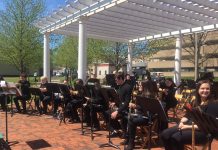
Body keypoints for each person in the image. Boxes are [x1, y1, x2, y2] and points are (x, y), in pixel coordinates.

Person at [160, 80, 218, 150]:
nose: (205, 90)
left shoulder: (213, 104)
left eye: (207, 89)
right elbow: (188, 115)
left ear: (211, 90)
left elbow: (208, 125)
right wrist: (181, 122)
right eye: (202, 88)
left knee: (176, 138)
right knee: (164, 134)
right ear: (198, 90)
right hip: (190, 126)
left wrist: (186, 126)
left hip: (204, 132)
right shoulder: (196, 101)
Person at [106, 73, 132, 138]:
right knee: (107, 113)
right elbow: (120, 100)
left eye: (116, 80)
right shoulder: (119, 87)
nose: (115, 81)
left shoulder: (127, 87)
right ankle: (116, 130)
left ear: (120, 79)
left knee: (120, 116)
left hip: (125, 109)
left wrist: (117, 111)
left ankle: (125, 133)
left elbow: (126, 103)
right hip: (120, 107)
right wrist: (114, 103)